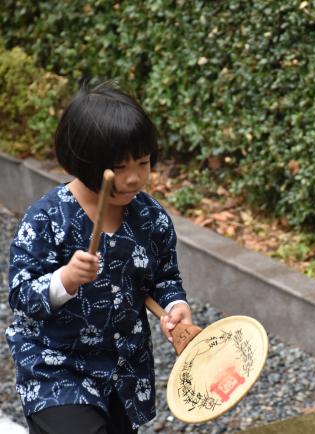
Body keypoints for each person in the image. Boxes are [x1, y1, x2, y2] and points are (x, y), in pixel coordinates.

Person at [5, 81, 193, 434]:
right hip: (56, 368)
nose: (136, 177)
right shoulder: (46, 219)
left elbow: (164, 278)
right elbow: (21, 295)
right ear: (84, 162)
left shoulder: (151, 219)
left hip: (123, 372)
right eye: (121, 168)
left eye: (143, 161)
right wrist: (65, 279)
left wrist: (175, 304)